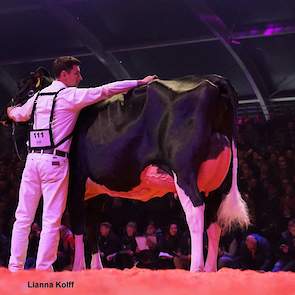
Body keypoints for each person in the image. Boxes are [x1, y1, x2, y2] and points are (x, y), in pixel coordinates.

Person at [7, 56, 156, 271]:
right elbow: (105, 90)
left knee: (22, 218)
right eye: (76, 73)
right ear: (64, 74)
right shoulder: (70, 96)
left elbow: (20, 115)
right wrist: (139, 82)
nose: (80, 77)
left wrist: (10, 112)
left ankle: (15, 268)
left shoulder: (39, 97)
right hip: (54, 162)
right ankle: (43, 270)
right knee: (50, 220)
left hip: (32, 161)